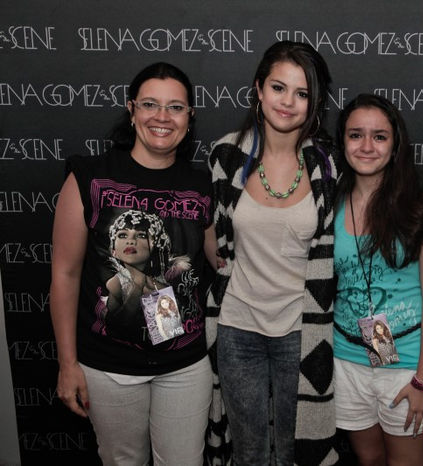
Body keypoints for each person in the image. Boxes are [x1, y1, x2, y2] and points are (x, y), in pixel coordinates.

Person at [50, 62, 215, 466]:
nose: (162, 117)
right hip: (108, 368)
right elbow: (65, 275)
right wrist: (67, 364)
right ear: (131, 109)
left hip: (184, 366)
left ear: (190, 117)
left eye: (175, 107)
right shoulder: (89, 177)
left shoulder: (202, 184)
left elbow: (221, 258)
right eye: (150, 104)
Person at [205, 41, 338, 465]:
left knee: (292, 453)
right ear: (258, 90)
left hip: (300, 329)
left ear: (314, 104)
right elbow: (213, 234)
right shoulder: (226, 154)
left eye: (302, 94)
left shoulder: (326, 165)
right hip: (238, 326)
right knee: (250, 452)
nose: (288, 102)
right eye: (279, 88)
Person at [333, 94, 423, 466]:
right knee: (369, 460)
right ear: (343, 142)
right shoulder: (329, 203)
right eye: (356, 135)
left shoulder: (418, 207)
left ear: (395, 144)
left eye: (379, 136)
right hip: (346, 361)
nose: (366, 146)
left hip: (408, 367)